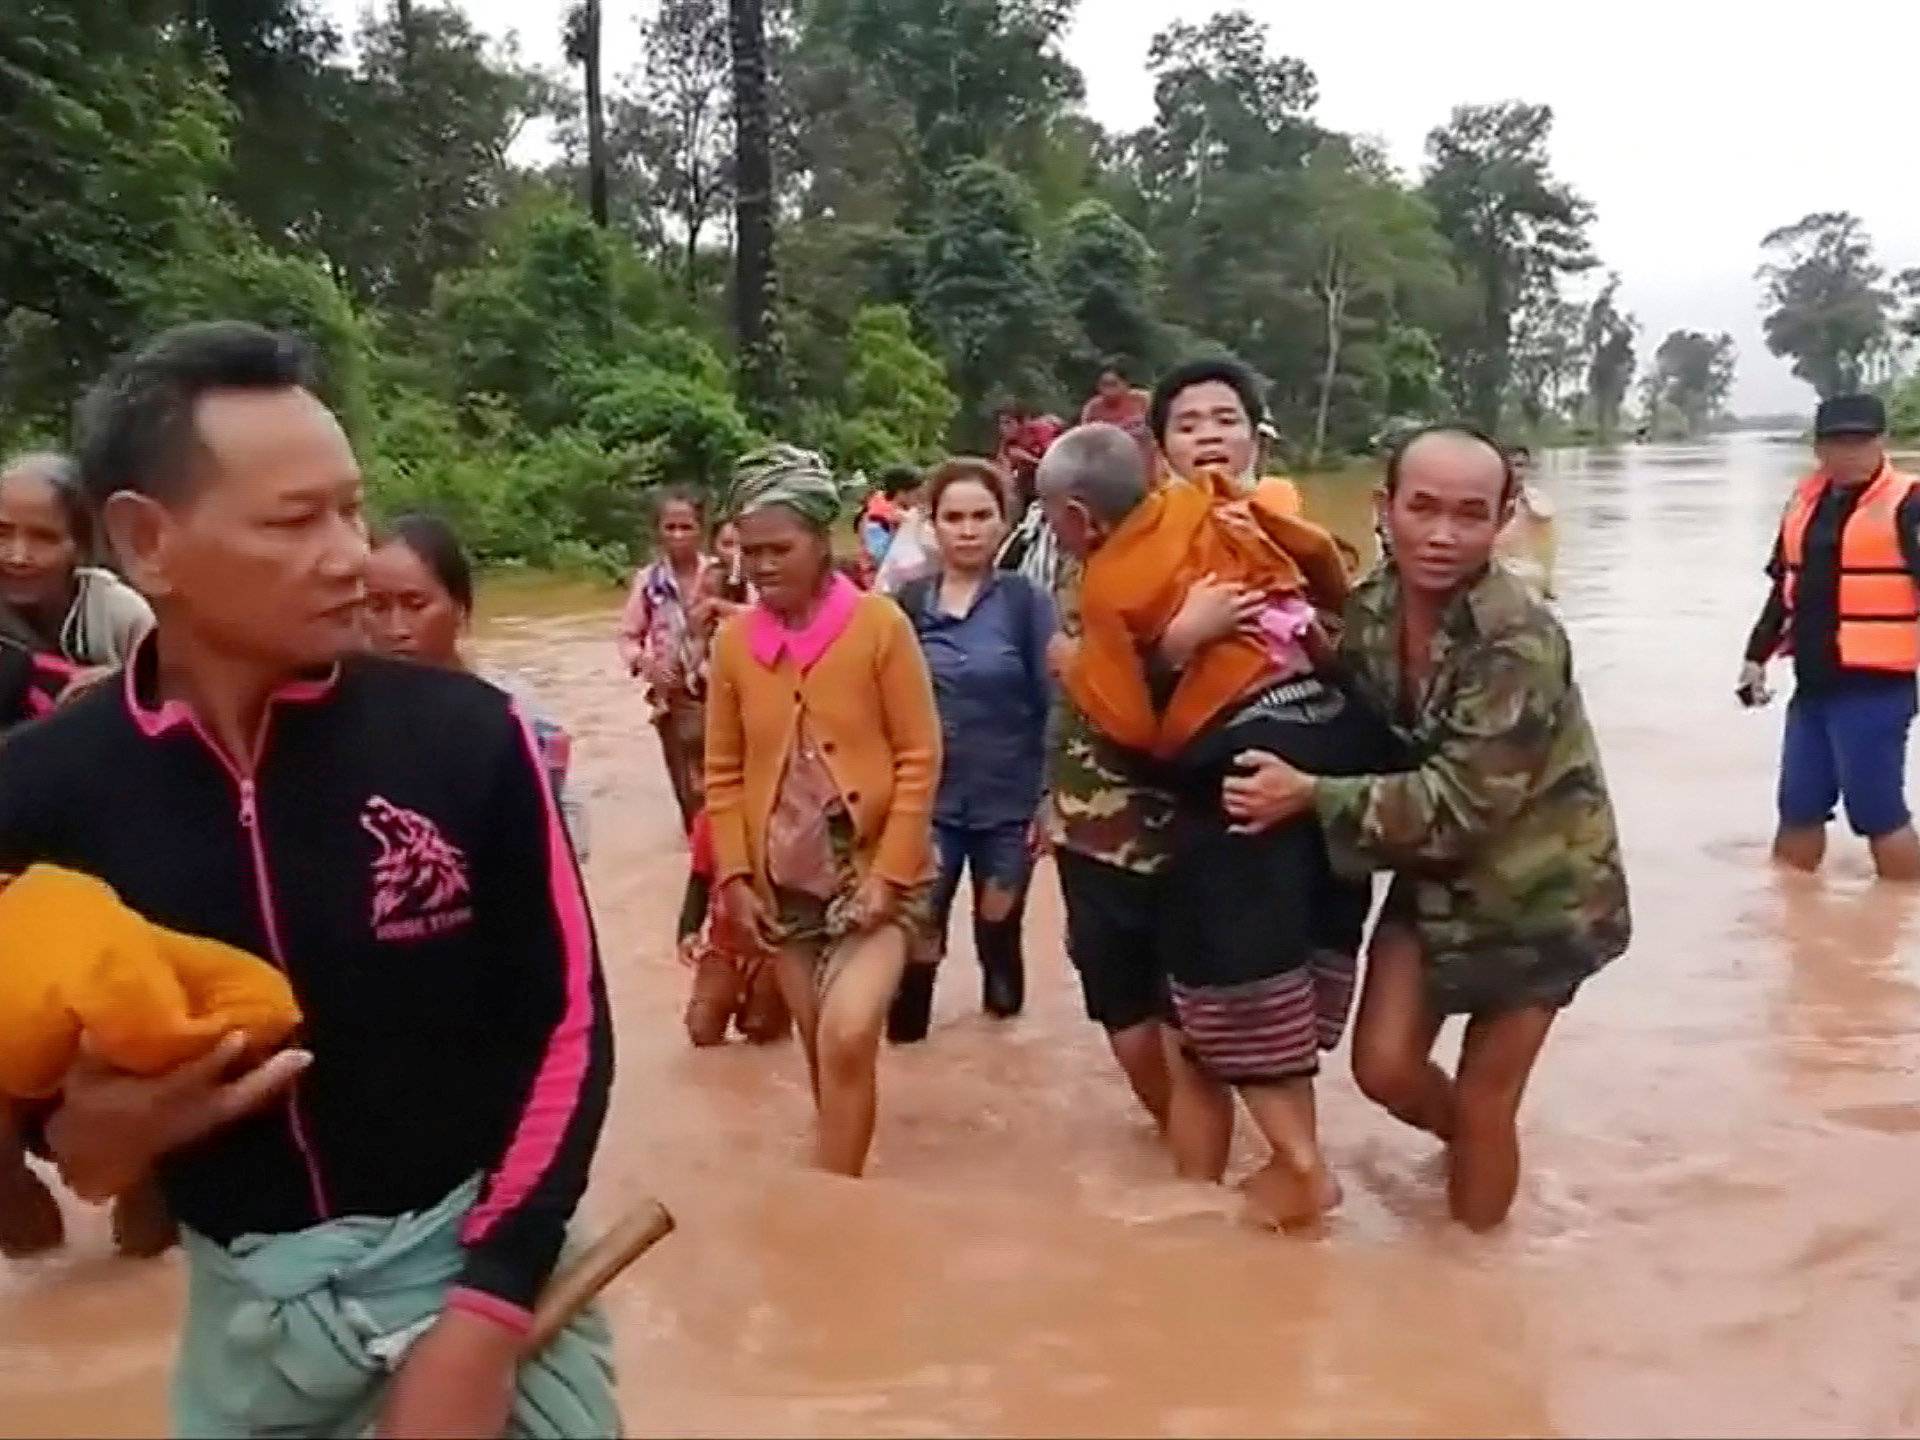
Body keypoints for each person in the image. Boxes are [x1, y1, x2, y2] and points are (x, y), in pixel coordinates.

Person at [0, 321, 616, 1435]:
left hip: (485, 1297)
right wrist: (72, 1137)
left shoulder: (469, 739)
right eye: (297, 520)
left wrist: (485, 1318)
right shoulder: (43, 790)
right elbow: (36, 1075)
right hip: (254, 1343)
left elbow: (569, 1026)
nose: (353, 553)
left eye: (351, 506)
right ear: (149, 543)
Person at [1222, 424, 1631, 1232]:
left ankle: (1475, 1277)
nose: (1443, 535)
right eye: (1424, 509)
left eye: (1471, 515)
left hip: (1543, 893)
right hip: (1437, 876)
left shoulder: (1519, 635)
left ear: (1504, 520)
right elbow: (1367, 698)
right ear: (1386, 508)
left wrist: (1311, 794)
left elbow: (1463, 805)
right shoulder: (1374, 608)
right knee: (1382, 1068)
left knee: (1485, 1096)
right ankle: (1480, 1148)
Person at [1040, 425, 1404, 1227]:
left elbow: (1131, 729)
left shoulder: (1104, 582)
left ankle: (1299, 1168)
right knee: (1248, 993)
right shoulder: (1226, 505)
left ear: (1079, 515)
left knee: (1226, 984)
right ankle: (1238, 1194)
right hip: (1330, 748)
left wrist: (1094, 664)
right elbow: (1324, 567)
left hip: (1235, 781)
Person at [704, 444, 942, 1177]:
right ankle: (837, 1197)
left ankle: (835, 1200)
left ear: (822, 538)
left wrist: (890, 874)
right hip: (785, 885)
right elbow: (722, 771)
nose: (763, 565)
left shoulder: (879, 627)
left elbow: (920, 755)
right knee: (818, 1047)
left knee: (846, 1034)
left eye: (780, 548)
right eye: (751, 552)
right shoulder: (735, 642)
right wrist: (736, 877)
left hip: (874, 870)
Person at [885, 459, 1056, 1043]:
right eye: (953, 517)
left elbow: (1054, 702)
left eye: (981, 516)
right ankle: (908, 1053)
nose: (967, 529)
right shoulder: (906, 604)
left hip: (1009, 800)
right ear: (931, 525)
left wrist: (1050, 800)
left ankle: (1002, 1041)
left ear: (1004, 521)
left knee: (997, 922)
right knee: (918, 929)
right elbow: (883, 705)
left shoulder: (1026, 603)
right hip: (927, 801)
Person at [1741, 394, 1920, 882]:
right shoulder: (1803, 503)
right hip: (1815, 685)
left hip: (1877, 689)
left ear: (1883, 441)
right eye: (1838, 442)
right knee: (1798, 806)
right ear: (1818, 448)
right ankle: (1789, 927)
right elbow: (1784, 589)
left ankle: (1903, 930)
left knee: (1878, 812)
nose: (1849, 453)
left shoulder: (1910, 505)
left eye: (1861, 441)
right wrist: (1755, 658)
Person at [364, 513, 590, 859]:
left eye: (415, 605)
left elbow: (557, 849)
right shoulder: (350, 726)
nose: (396, 629)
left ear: (458, 606)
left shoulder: (515, 720)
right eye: (376, 606)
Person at [0, 451, 153, 675]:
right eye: (2, 533)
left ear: (81, 545)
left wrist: (111, 688)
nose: (18, 557)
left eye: (44, 537)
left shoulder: (118, 617)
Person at [619, 488, 715, 831]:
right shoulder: (649, 582)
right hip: (671, 697)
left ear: (700, 531)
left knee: (726, 780)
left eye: (685, 527)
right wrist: (648, 665)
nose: (677, 536)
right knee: (686, 788)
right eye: (669, 527)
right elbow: (628, 638)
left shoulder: (720, 577)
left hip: (720, 691)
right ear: (657, 531)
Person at [1494, 444, 1558, 599]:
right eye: (1507, 465)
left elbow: (1548, 552)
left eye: (1519, 465)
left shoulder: (1539, 503)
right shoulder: (1486, 501)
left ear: (1527, 469)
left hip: (1528, 583)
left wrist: (1547, 588)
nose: (1514, 471)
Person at [1080, 363, 1152, 440]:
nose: (1108, 391)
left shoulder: (1142, 398)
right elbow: (1086, 439)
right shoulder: (1092, 408)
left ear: (1126, 384)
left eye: (1113, 384)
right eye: (1104, 385)